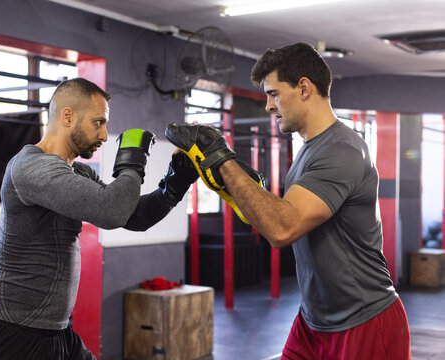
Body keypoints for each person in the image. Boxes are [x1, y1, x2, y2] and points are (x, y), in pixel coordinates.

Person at [165, 43, 411, 359]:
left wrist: (221, 158)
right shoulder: (310, 149)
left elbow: (282, 229)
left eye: (274, 93)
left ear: (304, 88)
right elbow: (270, 218)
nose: (269, 105)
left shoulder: (341, 151)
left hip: (364, 320)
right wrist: (225, 180)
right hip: (314, 320)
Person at [0, 78, 198, 360]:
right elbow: (111, 210)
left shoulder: (79, 173)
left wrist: (174, 184)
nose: (103, 135)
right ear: (68, 116)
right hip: (11, 335)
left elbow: (132, 215)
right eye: (98, 123)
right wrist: (132, 160)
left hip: (56, 333)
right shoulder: (30, 168)